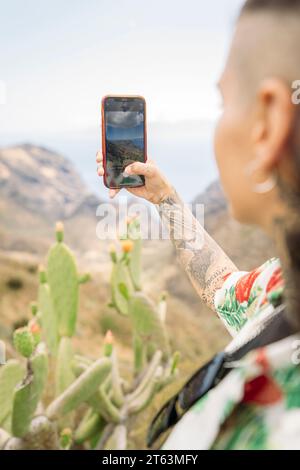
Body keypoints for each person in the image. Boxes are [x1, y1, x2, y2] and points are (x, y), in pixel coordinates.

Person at [96, 0, 300, 450]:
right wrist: (164, 199)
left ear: (268, 123)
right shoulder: (283, 287)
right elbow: (224, 287)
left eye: (223, 102)